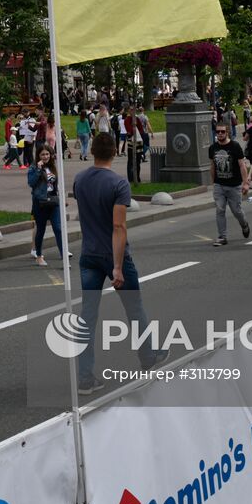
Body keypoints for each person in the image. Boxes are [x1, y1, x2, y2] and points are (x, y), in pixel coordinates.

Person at [74, 132, 166, 395]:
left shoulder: (80, 180)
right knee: (134, 310)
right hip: (114, 256)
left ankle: (85, 378)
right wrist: (116, 266)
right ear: (115, 151)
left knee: (88, 318)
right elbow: (118, 225)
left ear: (92, 151)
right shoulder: (118, 183)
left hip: (88, 256)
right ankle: (148, 357)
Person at [207, 123, 250, 247]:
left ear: (227, 133)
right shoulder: (212, 148)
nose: (220, 134)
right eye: (218, 132)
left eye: (222, 132)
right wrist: (213, 182)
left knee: (237, 211)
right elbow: (212, 165)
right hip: (219, 185)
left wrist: (245, 183)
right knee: (220, 209)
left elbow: (242, 165)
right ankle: (222, 237)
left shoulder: (235, 146)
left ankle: (244, 224)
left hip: (234, 185)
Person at [27, 146, 64, 265]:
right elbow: (31, 183)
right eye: (43, 154)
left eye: (47, 154)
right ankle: (39, 255)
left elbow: (56, 185)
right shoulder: (33, 167)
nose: (45, 157)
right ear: (38, 155)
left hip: (53, 202)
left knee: (58, 228)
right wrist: (38, 169)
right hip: (40, 203)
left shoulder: (53, 167)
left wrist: (61, 198)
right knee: (41, 230)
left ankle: (64, 255)